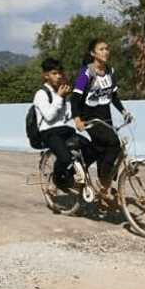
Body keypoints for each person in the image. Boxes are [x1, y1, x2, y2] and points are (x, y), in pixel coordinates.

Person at [71, 38, 132, 203]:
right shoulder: (86, 74)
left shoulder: (111, 72)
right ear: (93, 53)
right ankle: (103, 184)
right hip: (90, 119)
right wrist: (77, 119)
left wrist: (123, 111)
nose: (106, 52)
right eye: (101, 49)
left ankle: (103, 196)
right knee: (114, 144)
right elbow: (75, 99)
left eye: (107, 49)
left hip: (106, 117)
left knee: (103, 152)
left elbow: (114, 97)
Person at [34, 57, 88, 191]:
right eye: (54, 73)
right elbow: (49, 116)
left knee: (90, 149)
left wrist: (82, 116)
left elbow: (65, 116)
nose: (58, 76)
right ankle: (58, 180)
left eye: (59, 73)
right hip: (49, 133)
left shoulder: (60, 92)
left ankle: (73, 177)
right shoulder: (41, 94)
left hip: (64, 130)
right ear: (46, 75)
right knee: (65, 159)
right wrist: (59, 97)